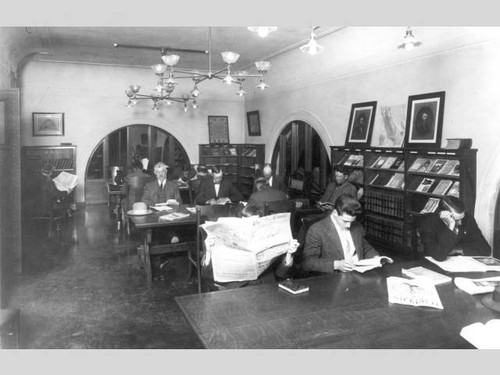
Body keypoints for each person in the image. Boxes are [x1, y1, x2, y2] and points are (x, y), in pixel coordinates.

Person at [302, 194, 379, 273]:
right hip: (334, 278)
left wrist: (375, 257)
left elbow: (365, 247)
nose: (348, 225)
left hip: (359, 273)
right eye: (345, 221)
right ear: (335, 213)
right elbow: (308, 262)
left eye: (351, 221)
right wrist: (335, 265)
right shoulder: (317, 229)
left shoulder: (357, 226)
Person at [418, 196, 491, 261]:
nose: (461, 223)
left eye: (462, 218)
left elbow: (485, 249)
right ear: (443, 214)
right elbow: (439, 256)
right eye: (457, 220)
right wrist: (451, 226)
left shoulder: (467, 218)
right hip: (435, 267)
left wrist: (458, 250)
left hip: (461, 263)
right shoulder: (428, 224)